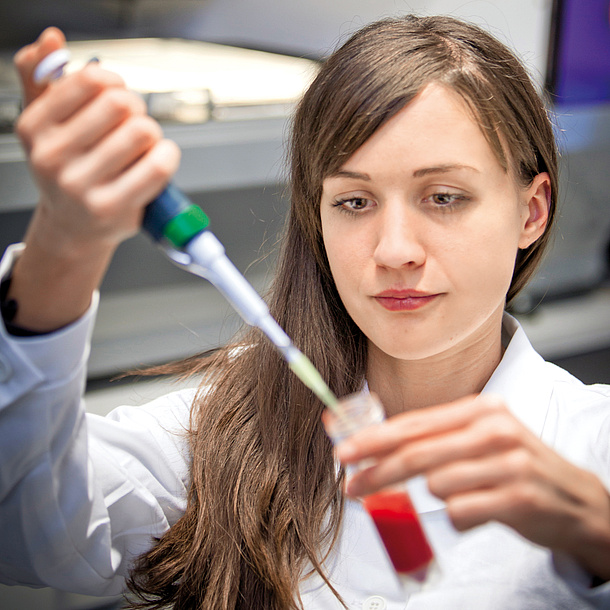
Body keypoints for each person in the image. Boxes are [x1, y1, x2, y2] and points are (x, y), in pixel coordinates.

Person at [0, 14, 609, 610]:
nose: (394, 250)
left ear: (532, 212)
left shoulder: (594, 450)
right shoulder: (226, 424)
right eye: (354, 200)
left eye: (444, 197)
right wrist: (66, 240)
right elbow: (26, 526)